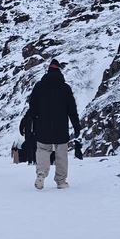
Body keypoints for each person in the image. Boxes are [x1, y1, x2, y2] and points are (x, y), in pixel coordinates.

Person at [26, 58, 81, 190]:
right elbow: (72, 110)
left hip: (42, 127)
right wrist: (76, 125)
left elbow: (33, 107)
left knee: (43, 150)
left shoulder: (39, 87)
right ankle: (61, 181)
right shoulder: (65, 88)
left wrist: (29, 121)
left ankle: (41, 173)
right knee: (61, 154)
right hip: (61, 127)